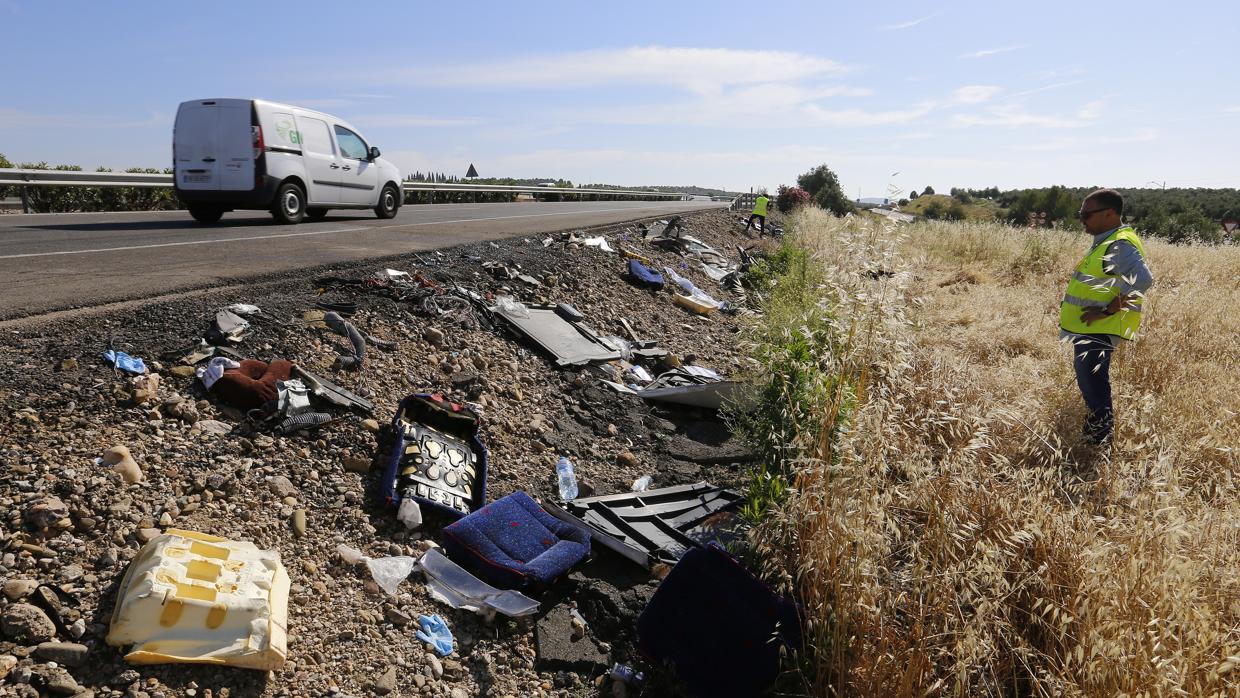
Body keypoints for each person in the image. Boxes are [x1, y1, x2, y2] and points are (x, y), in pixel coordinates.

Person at [1058, 189, 1154, 445]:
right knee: (1090, 381)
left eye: (1086, 214)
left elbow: (1143, 280)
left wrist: (1107, 311)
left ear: (1109, 213)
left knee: (1093, 383)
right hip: (1090, 327)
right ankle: (1096, 433)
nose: (1082, 219)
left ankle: (1099, 439)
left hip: (1099, 327)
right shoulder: (1106, 240)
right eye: (1081, 213)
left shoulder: (1118, 244)